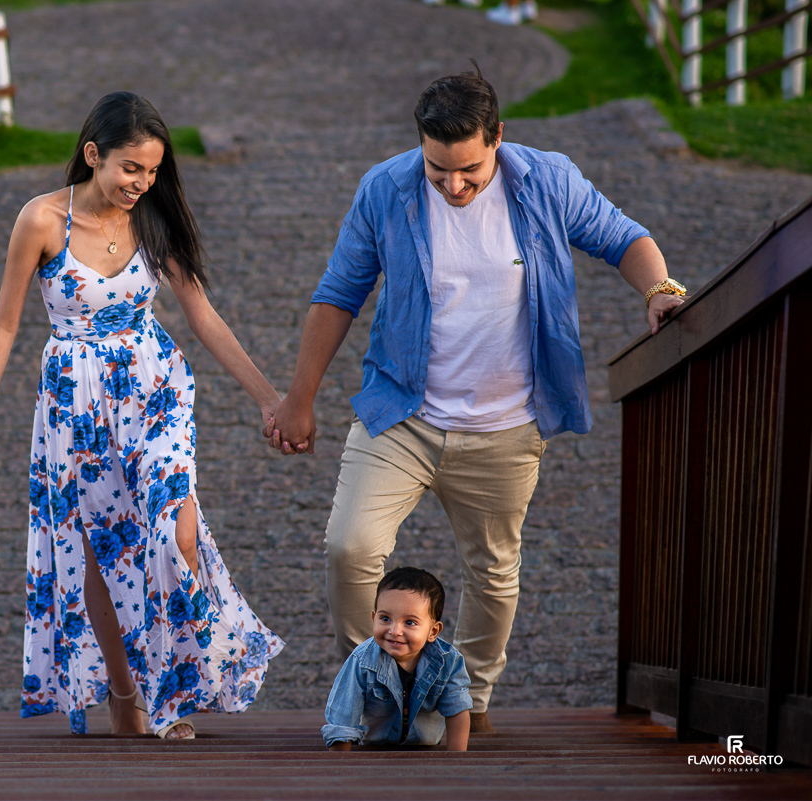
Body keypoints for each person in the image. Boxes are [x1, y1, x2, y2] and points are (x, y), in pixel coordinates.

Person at [267, 66, 686, 733]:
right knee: (349, 545)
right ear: (421, 148)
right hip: (402, 413)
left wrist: (659, 287)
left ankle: (471, 701)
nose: (454, 185)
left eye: (469, 170)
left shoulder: (547, 180)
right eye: (439, 170)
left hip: (506, 425)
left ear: (498, 137)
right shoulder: (386, 189)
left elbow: (623, 237)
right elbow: (338, 293)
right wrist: (299, 398)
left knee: (492, 570)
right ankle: (373, 693)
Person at [0, 91, 285, 740]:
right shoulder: (42, 221)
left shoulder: (152, 219)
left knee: (174, 533)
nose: (143, 182)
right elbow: (3, 325)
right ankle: (123, 688)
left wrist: (269, 397)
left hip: (154, 390)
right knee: (103, 556)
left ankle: (177, 685)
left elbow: (200, 313)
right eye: (130, 169)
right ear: (92, 156)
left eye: (153, 171)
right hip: (74, 408)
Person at [323, 567, 472, 751]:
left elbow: (457, 708)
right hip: (372, 749)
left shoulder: (448, 661)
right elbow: (343, 715)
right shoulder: (362, 661)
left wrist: (456, 759)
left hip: (426, 749)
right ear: (373, 618)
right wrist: (340, 766)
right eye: (385, 618)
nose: (394, 631)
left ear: (433, 631)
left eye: (410, 622)